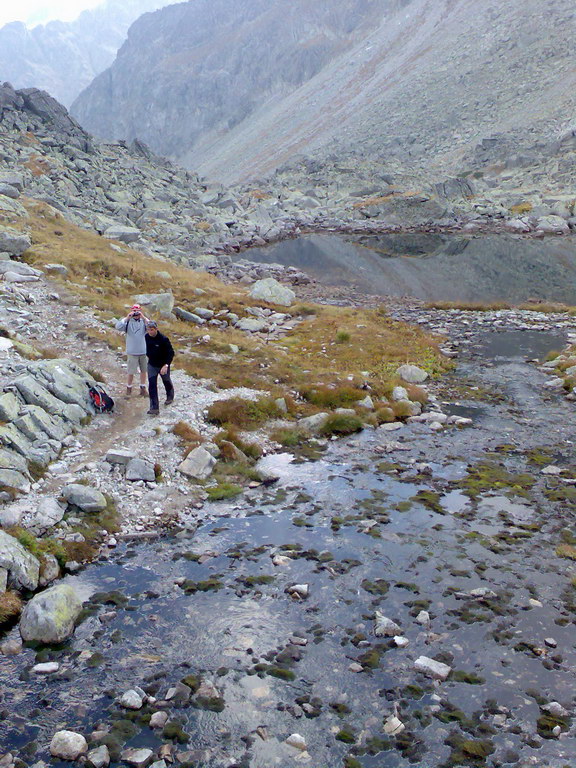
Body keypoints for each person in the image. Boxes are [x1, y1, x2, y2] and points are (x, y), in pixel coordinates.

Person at [115, 304, 150, 397]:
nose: (136, 314)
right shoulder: (127, 322)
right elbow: (118, 327)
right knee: (131, 371)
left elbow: (151, 326)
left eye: (137, 311)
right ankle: (129, 388)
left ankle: (143, 388)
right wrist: (127, 318)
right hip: (132, 351)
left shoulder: (143, 322)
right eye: (134, 311)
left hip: (143, 351)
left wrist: (143, 317)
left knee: (144, 370)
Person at [145, 320, 175, 415]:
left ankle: (170, 396)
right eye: (148, 330)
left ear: (156, 329)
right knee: (152, 385)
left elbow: (171, 353)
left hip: (163, 365)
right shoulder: (146, 337)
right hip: (152, 364)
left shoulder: (163, 339)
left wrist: (166, 365)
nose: (150, 332)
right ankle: (154, 407)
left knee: (166, 380)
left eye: (152, 329)